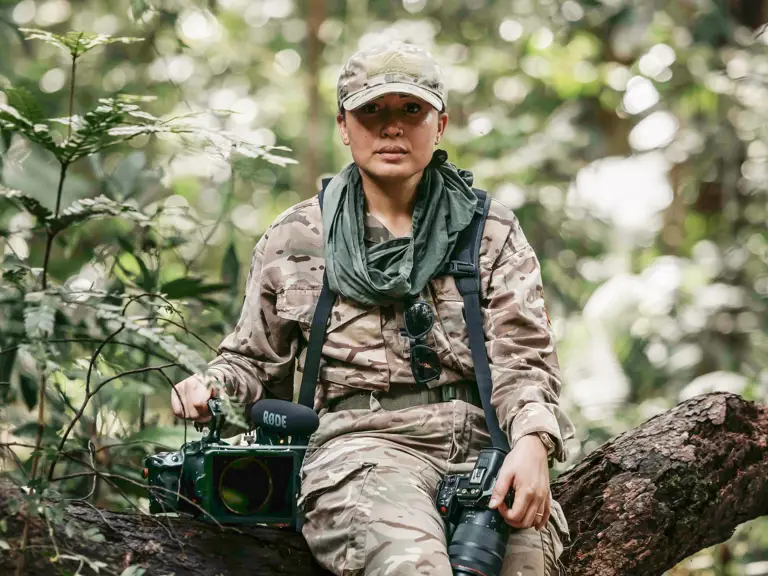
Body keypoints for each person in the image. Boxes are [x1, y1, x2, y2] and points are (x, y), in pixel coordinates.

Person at [171, 40, 575, 576]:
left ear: (441, 124)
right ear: (344, 125)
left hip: (484, 452)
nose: (391, 128)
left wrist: (531, 443)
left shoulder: (488, 230)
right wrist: (209, 387)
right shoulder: (297, 236)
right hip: (360, 452)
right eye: (371, 111)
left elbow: (524, 360)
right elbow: (252, 359)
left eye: (412, 110)